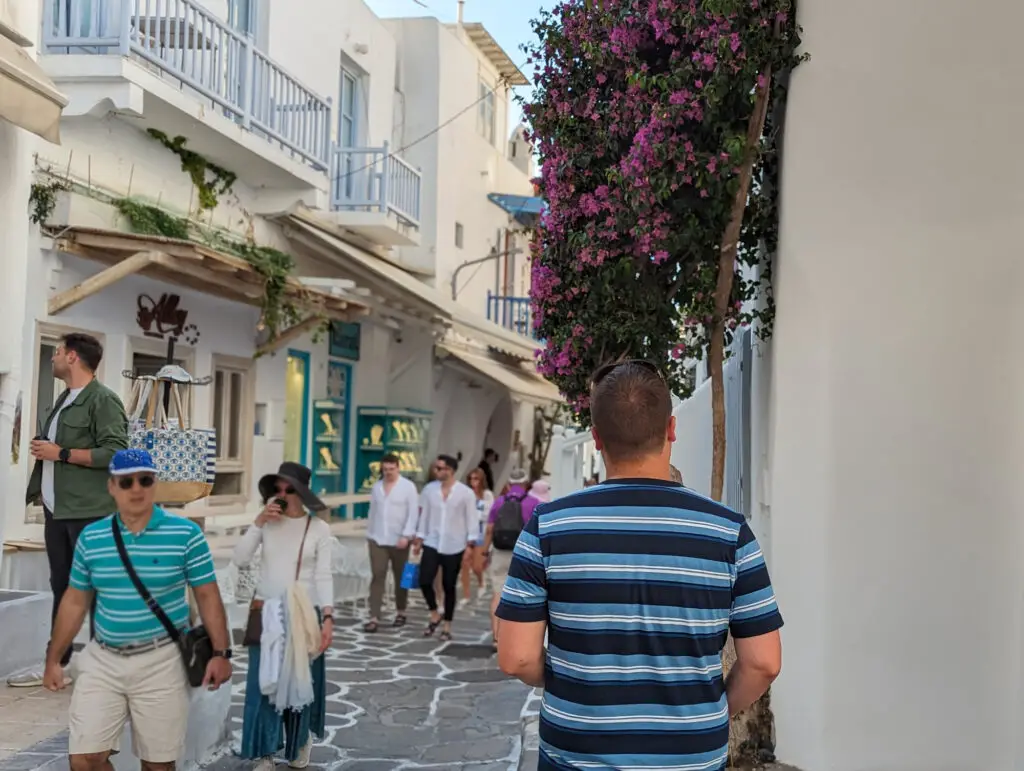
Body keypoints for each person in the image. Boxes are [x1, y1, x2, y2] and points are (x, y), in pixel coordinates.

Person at [495, 360, 783, 771]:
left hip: (576, 757)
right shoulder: (729, 533)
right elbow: (763, 662)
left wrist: (573, 680)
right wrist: (713, 713)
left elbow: (516, 658)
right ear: (671, 429)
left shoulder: (548, 527)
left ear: (595, 438)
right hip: (692, 758)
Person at [43, 449, 232, 770]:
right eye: (126, 481)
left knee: (157, 765)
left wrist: (221, 652)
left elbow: (208, 596)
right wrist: (53, 659)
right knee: (84, 760)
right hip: (103, 659)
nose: (136, 488)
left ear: (154, 484)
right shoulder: (92, 537)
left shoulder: (186, 534)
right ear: (112, 487)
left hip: (162, 661)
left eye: (144, 480)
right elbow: (75, 601)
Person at [12, 333, 129, 688]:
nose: (53, 358)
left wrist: (60, 453)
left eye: (58, 352)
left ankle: (102, 669)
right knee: (62, 586)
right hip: (57, 511)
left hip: (89, 512)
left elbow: (115, 453)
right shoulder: (64, 398)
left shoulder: (103, 400)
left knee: (96, 588)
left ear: (74, 357)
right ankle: (57, 665)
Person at [234, 462, 334, 770]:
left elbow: (324, 575)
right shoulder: (267, 525)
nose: (281, 494)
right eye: (276, 489)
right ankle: (265, 751)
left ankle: (300, 740)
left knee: (302, 684)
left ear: (301, 493)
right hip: (266, 612)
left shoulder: (318, 528)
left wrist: (328, 617)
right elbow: (240, 559)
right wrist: (258, 522)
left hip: (304, 616)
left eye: (289, 489)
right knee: (263, 684)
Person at [414, 454, 477, 641]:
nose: (436, 471)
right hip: (432, 541)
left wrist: (470, 545)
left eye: (440, 468)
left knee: (449, 585)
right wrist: (419, 538)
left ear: (450, 470)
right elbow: (424, 515)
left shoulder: (465, 493)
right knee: (425, 579)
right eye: (436, 468)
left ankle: (447, 626)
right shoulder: (429, 490)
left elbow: (471, 520)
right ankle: (434, 612)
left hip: (454, 543)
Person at [484, 468, 541, 650]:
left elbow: (489, 529)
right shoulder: (534, 503)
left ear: (508, 484)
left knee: (497, 594)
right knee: (524, 596)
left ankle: (496, 637)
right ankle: (520, 639)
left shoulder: (499, 501)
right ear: (526, 484)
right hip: (524, 553)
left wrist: (485, 550)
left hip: (500, 551)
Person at [364, 453, 418, 632]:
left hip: (400, 539)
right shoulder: (377, 487)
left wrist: (407, 535)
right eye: (385, 469)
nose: (388, 472)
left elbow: (413, 513)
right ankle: (374, 616)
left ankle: (401, 611)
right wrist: (369, 533)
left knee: (401, 577)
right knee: (377, 575)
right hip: (378, 538)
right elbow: (373, 511)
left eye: (391, 469)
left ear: (398, 468)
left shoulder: (408, 487)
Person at [460, 467, 494, 606]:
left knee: (476, 566)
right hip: (466, 532)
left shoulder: (487, 495)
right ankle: (466, 594)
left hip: (481, 531)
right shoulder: (465, 494)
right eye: (471, 479)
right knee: (464, 564)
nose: (473, 482)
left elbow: (488, 513)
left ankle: (481, 582)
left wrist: (474, 513)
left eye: (476, 479)